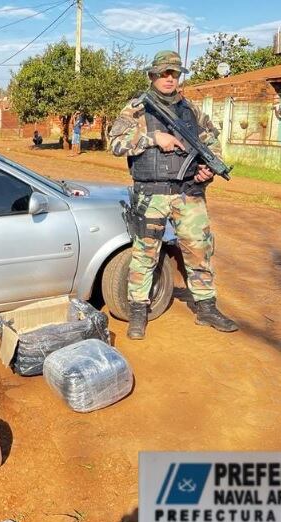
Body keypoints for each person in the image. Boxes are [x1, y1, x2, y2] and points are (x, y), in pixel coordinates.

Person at [110, 50, 239, 340]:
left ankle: (206, 307)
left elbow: (212, 143)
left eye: (174, 73)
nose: (169, 78)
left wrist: (207, 170)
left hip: (188, 192)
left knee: (199, 250)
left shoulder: (191, 110)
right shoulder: (136, 109)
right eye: (163, 73)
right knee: (145, 254)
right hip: (151, 193)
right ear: (152, 76)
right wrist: (152, 139)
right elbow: (116, 143)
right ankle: (138, 311)